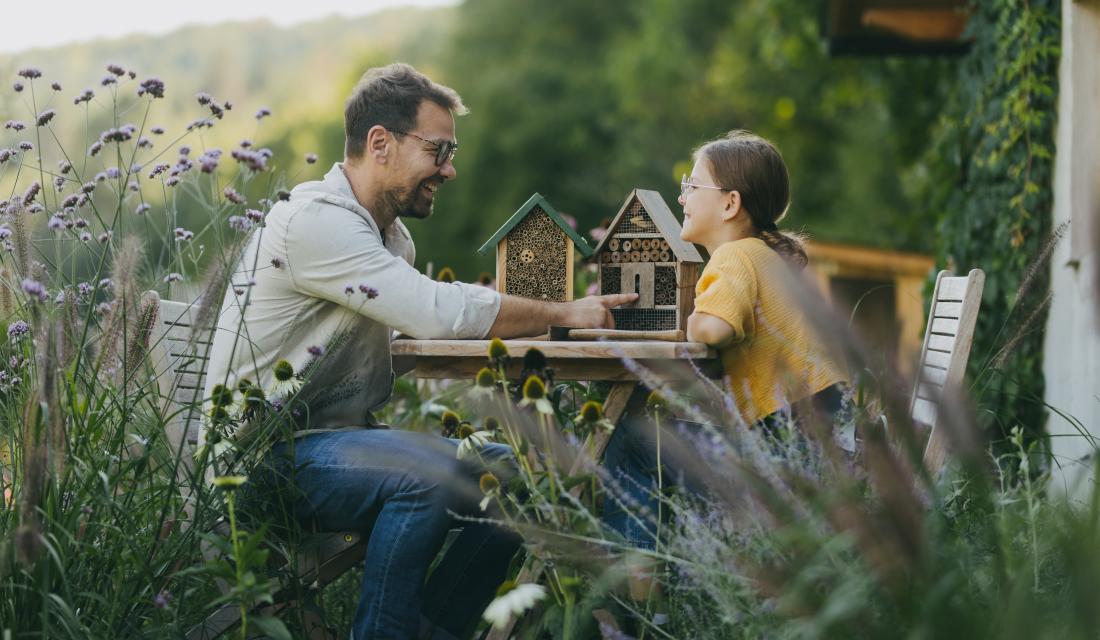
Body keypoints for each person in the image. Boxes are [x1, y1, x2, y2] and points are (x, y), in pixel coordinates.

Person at [203, 63, 637, 639]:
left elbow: (421, 323)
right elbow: (435, 312)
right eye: (439, 149)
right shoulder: (316, 223)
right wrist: (562, 314)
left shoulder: (390, 239)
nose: (450, 169)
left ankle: (433, 628)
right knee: (429, 473)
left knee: (516, 470)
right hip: (259, 463)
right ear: (380, 143)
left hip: (334, 449)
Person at [602, 130, 848, 551]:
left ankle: (643, 599)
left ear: (730, 204)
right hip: (816, 436)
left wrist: (696, 318)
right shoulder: (764, 255)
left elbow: (716, 330)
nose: (682, 198)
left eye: (691, 186)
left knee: (627, 442)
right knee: (669, 435)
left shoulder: (735, 256)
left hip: (782, 450)